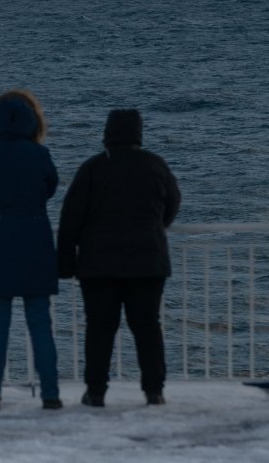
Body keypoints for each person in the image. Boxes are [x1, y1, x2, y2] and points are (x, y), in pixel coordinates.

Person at [57, 109, 181, 408]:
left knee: (100, 329)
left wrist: (65, 263)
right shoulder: (155, 165)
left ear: (107, 134)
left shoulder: (93, 168)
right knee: (147, 327)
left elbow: (70, 218)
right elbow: (173, 204)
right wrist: (155, 227)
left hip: (99, 266)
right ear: (138, 133)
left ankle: (96, 391)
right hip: (148, 262)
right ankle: (154, 390)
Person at [0, 89, 61, 410]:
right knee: (40, 322)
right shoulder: (40, 154)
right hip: (34, 239)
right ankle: (51, 394)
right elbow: (50, 188)